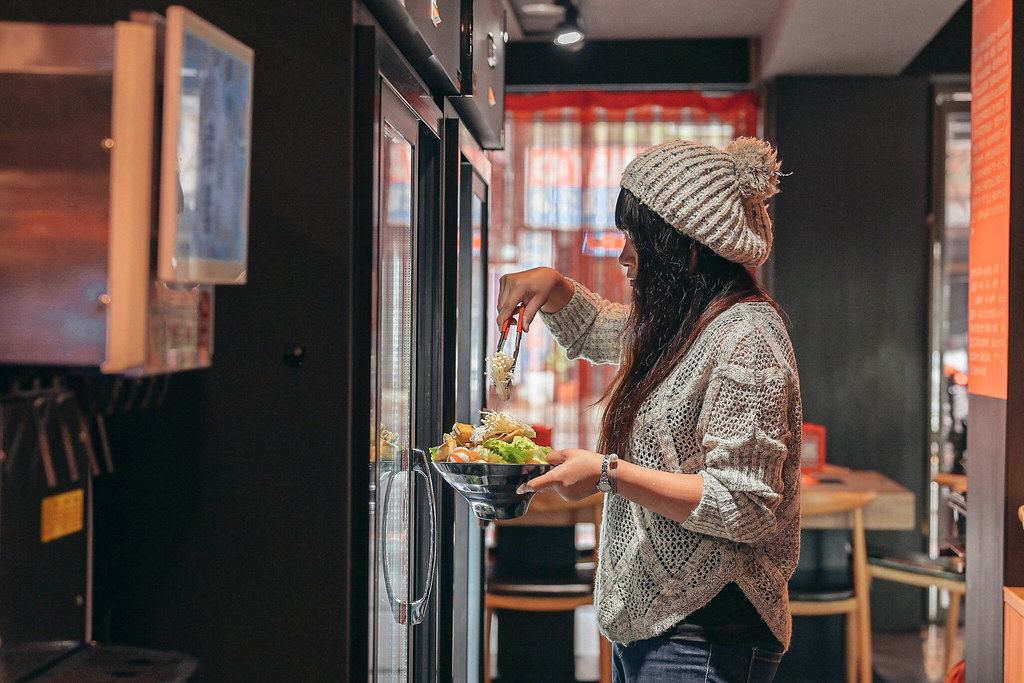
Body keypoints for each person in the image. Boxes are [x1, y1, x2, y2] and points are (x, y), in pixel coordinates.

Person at [498, 137, 802, 682]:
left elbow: (745, 506)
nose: (623, 257)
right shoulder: (689, 325)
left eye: (638, 240)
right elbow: (604, 328)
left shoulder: (748, 337)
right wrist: (556, 285)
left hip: (708, 631)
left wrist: (606, 473)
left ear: (687, 248)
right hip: (658, 621)